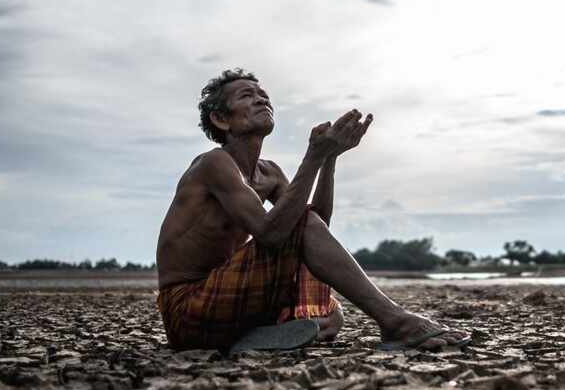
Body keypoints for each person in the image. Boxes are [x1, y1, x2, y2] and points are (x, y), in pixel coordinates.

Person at [155, 68, 467, 352]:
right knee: (298, 242)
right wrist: (313, 157)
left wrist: (329, 158)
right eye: (247, 96)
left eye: (263, 95)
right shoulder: (213, 163)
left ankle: (246, 336)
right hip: (188, 310)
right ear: (221, 120)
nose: (261, 100)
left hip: (228, 295)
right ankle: (395, 321)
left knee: (332, 313)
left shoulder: (269, 172)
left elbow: (315, 226)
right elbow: (272, 234)